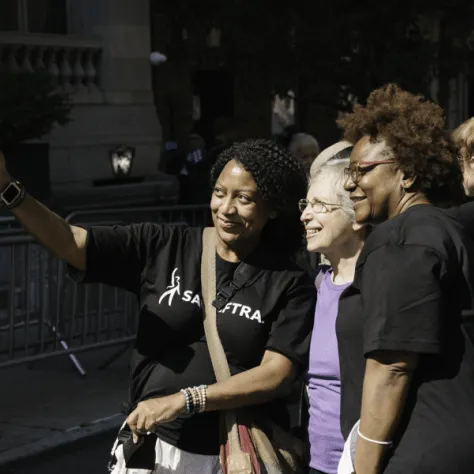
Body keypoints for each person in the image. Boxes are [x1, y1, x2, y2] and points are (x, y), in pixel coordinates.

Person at [0, 139, 314, 473]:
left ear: (273, 208)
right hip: (152, 448)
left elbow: (275, 375)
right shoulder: (165, 246)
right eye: (220, 192)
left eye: (244, 198)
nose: (226, 208)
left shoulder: (289, 282)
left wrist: (186, 400)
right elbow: (70, 242)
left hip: (231, 455)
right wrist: (8, 187)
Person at [336, 83, 474, 474]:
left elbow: (392, 366)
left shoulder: (400, 239)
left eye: (361, 171)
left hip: (417, 453)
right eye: (348, 171)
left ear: (408, 174)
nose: (350, 183)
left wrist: (364, 466)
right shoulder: (447, 231)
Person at [300, 153, 366, 474]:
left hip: (363, 462)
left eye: (320, 206)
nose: (306, 216)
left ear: (355, 215)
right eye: (306, 204)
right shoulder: (318, 285)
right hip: (317, 462)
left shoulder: (378, 288)